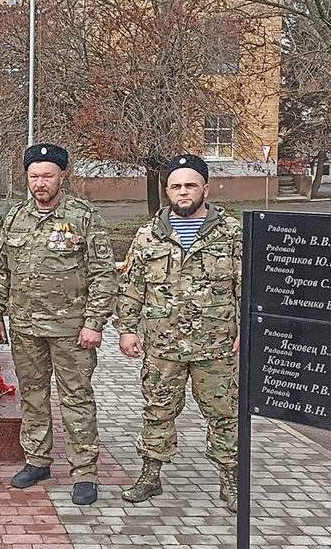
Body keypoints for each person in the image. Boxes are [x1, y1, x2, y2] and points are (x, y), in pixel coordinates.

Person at [0, 143, 118, 506]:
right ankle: (37, 460)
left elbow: (103, 274)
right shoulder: (15, 217)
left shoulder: (83, 216)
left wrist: (94, 323)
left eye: (47, 176)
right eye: (34, 177)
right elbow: (0, 270)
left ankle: (84, 471)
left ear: (63, 176)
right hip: (25, 328)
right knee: (33, 395)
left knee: (76, 398)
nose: (40, 183)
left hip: (72, 330)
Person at [116, 154, 242, 511]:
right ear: (167, 191)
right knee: (158, 410)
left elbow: (247, 287)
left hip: (215, 346)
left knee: (224, 413)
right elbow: (132, 287)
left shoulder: (231, 233)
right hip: (162, 346)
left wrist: (246, 330)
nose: (183, 192)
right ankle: (150, 475)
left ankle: (230, 478)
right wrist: (127, 330)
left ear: (206, 188)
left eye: (190, 185)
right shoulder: (149, 235)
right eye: (176, 186)